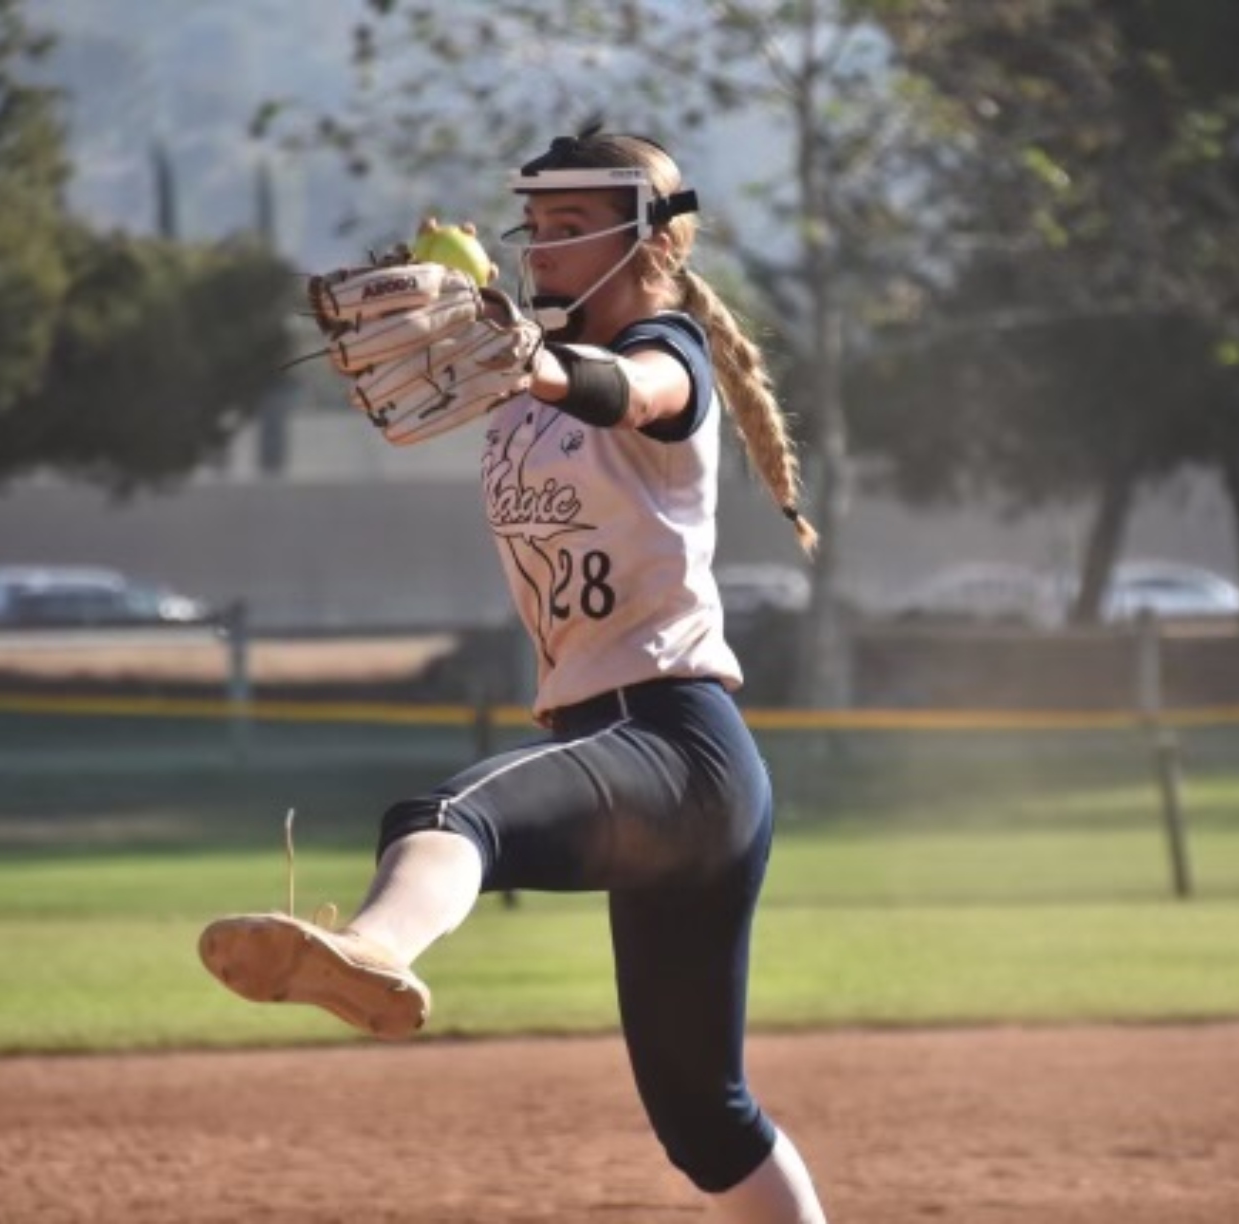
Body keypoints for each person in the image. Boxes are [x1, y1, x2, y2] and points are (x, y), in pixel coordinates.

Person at [199, 127, 827, 1222]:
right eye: (533, 226)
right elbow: (535, 386)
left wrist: (536, 362)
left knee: (446, 813)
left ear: (648, 243)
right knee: (702, 1115)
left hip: (670, 744)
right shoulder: (525, 378)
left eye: (571, 228)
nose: (541, 249)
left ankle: (370, 949)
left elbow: (636, 391)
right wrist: (507, 354)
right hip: (659, 775)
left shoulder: (664, 351)